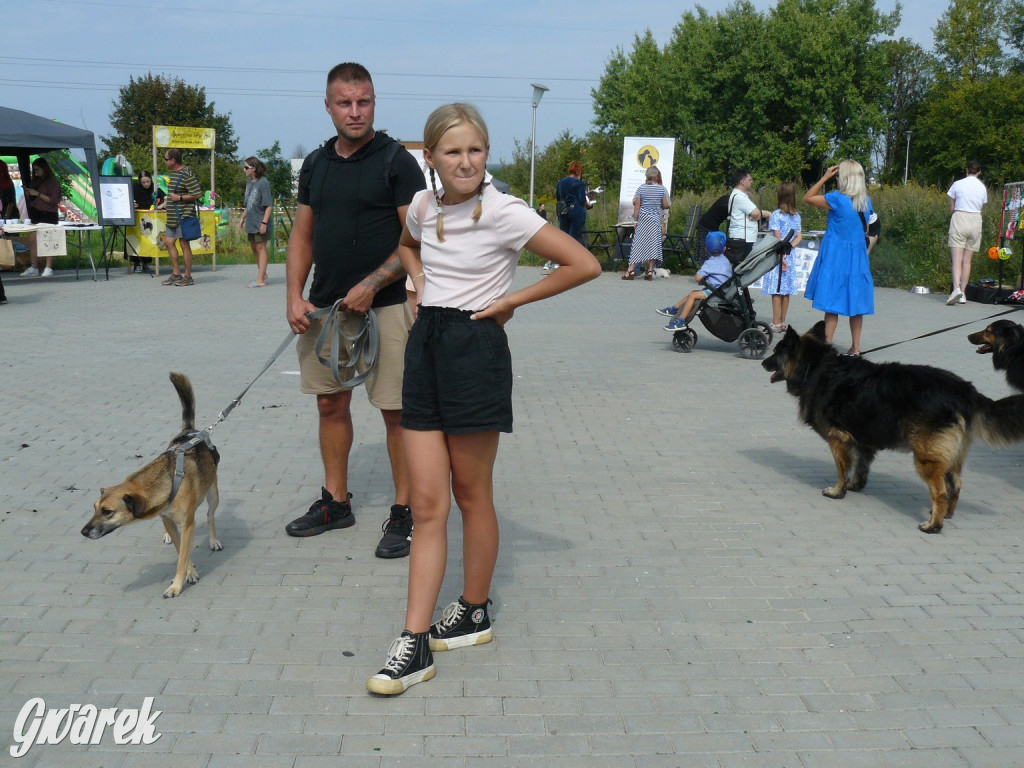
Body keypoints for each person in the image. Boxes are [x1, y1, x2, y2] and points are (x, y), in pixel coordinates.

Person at [366, 103, 601, 696]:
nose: (465, 161)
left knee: (472, 494)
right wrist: (419, 282)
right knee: (425, 504)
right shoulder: (423, 205)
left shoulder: (503, 210)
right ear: (431, 159)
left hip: (476, 349)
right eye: (453, 151)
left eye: (475, 149)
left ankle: (473, 609)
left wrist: (511, 301)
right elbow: (409, 246)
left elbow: (584, 263)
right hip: (425, 350)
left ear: (487, 153)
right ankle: (415, 643)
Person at [284, 62, 426, 560]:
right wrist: (294, 295)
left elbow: (416, 239)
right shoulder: (318, 166)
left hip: (384, 306)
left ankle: (405, 512)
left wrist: (373, 282)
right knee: (329, 404)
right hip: (326, 308)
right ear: (327, 106)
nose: (355, 111)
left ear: (374, 102)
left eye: (363, 101)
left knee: (396, 413)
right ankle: (336, 502)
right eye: (344, 103)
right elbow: (302, 235)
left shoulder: (396, 162)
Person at [803, 160, 875, 356]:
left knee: (832, 304)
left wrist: (825, 177)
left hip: (836, 256)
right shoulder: (865, 202)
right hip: (857, 257)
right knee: (856, 305)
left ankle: (826, 345)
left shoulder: (836, 199)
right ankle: (856, 348)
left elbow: (808, 198)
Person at [657, 231, 733, 332]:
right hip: (723, 289)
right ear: (724, 249)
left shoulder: (710, 263)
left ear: (706, 249)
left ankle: (681, 320)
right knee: (693, 293)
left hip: (716, 292)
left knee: (693, 296)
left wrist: (702, 278)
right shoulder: (726, 260)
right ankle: (674, 309)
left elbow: (697, 277)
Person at [760, 182, 803, 332]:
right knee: (786, 290)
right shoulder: (796, 216)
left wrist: (782, 254)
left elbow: (777, 236)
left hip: (778, 255)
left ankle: (775, 321)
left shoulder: (776, 215)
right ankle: (783, 320)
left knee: (776, 289)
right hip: (789, 254)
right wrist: (790, 247)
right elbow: (799, 236)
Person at [946, 160, 987, 306]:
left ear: (966, 170)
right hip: (976, 220)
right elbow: (981, 205)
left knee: (956, 259)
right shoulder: (982, 187)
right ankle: (963, 293)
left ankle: (956, 289)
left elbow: (952, 207)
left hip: (960, 218)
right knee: (967, 261)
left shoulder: (958, 184)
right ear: (979, 172)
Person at [160, 148, 203, 287]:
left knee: (184, 245)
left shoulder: (187, 174)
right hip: (172, 216)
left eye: (166, 159)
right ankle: (176, 274)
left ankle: (188, 276)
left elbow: (197, 193)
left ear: (173, 160)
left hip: (183, 215)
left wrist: (180, 197)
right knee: (169, 242)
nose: (165, 161)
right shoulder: (173, 174)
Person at [548, 161, 595, 271]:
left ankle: (562, 262)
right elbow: (582, 200)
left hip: (563, 212)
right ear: (579, 171)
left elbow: (558, 197)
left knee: (564, 238)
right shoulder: (579, 183)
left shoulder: (560, 182)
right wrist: (589, 205)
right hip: (576, 212)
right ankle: (573, 263)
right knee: (574, 238)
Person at [19, 157, 62, 278]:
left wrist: (37, 193)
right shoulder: (36, 180)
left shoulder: (53, 181)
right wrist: (29, 193)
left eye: (38, 169)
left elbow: (53, 200)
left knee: (49, 240)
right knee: (33, 240)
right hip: (36, 212)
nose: (36, 172)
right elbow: (33, 197)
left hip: (48, 214)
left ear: (44, 168)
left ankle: (48, 267)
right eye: (34, 170)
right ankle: (34, 267)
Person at [630, 166, 670, 281]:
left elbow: (636, 207)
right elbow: (665, 204)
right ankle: (650, 271)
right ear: (657, 176)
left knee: (638, 245)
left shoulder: (641, 189)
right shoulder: (661, 189)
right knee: (654, 245)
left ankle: (631, 270)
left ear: (646, 175)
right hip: (655, 221)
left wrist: (636, 221)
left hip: (643, 221)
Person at [241, 156, 273, 287]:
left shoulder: (263, 183)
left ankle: (260, 279)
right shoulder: (249, 183)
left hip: (260, 221)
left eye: (246, 167)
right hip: (251, 221)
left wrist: (264, 223)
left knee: (261, 248)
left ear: (253, 168)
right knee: (254, 247)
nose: (244, 170)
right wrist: (242, 218)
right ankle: (262, 272)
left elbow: (268, 205)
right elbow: (248, 204)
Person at [726, 168, 768, 263]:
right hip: (743, 239)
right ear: (742, 182)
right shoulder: (740, 197)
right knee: (743, 267)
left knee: (741, 266)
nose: (752, 182)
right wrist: (767, 213)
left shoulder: (738, 195)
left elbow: (755, 213)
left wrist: (756, 214)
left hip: (741, 237)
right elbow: (756, 212)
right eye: (750, 179)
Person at [130, 170, 164, 273]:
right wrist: (132, 204)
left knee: (149, 240)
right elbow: (126, 199)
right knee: (136, 241)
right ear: (140, 182)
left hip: (150, 220)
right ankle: (136, 263)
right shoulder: (134, 188)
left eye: (148, 181)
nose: (146, 184)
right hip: (136, 218)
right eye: (143, 182)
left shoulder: (155, 188)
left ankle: (145, 263)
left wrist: (159, 207)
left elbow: (166, 198)